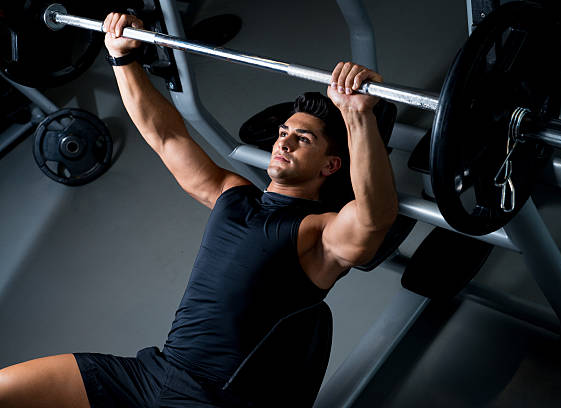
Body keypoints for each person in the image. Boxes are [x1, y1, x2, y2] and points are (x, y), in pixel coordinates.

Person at [0, 12, 398, 408]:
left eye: (303, 139)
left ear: (330, 165)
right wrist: (121, 57)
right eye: (283, 133)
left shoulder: (318, 233)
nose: (284, 143)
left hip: (207, 400)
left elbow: (373, 218)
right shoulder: (233, 193)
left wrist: (357, 114)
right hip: (150, 374)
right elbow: (166, 136)